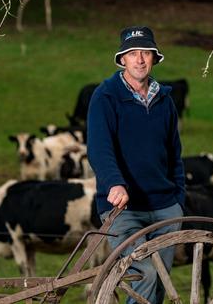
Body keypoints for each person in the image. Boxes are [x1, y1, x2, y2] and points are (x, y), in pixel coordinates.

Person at [87, 25, 185, 304]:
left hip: (165, 208)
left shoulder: (164, 100)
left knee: (159, 284)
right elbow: (98, 148)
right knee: (145, 275)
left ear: (155, 58)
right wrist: (114, 183)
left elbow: (174, 155)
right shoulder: (106, 96)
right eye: (133, 53)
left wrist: (178, 198)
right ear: (122, 60)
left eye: (146, 53)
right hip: (124, 208)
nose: (140, 59)